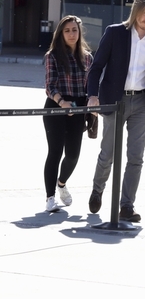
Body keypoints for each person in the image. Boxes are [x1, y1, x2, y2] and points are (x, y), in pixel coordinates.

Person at [86, 0, 145, 222]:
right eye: (144, 13)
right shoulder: (115, 33)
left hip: (143, 102)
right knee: (108, 153)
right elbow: (97, 66)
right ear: (136, 12)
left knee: (136, 157)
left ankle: (126, 206)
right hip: (115, 99)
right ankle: (97, 190)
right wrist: (93, 96)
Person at [42, 15, 93, 212]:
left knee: (73, 155)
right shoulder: (52, 55)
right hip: (56, 106)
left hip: (79, 107)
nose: (71, 34)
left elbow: (91, 86)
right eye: (67, 30)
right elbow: (49, 86)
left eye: (74, 30)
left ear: (80, 33)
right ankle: (50, 197)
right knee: (55, 151)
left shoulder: (87, 57)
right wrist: (62, 102)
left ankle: (61, 184)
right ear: (60, 34)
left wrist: (91, 104)